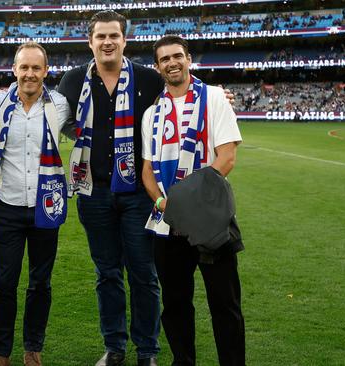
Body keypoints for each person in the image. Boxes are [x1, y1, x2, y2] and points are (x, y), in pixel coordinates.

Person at [57, 11, 164, 366]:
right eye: (100, 36)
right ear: (90, 42)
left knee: (143, 273)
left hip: (136, 193)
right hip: (93, 192)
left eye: (113, 36)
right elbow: (50, 114)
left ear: (124, 41)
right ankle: (115, 347)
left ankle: (146, 350)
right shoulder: (73, 81)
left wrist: (217, 95)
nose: (107, 42)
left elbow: (183, 100)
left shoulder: (149, 80)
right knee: (107, 274)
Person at [141, 35, 245, 366]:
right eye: (164, 59)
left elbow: (226, 156)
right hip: (167, 222)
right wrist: (162, 204)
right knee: (175, 303)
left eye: (177, 56)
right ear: (157, 67)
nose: (172, 63)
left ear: (188, 59)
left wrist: (189, 205)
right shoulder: (151, 113)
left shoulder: (214, 98)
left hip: (209, 220)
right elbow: (146, 171)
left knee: (224, 303)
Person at [0, 41, 73, 366]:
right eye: (24, 67)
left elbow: (88, 128)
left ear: (46, 71)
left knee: (40, 283)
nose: (30, 74)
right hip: (8, 206)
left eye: (36, 68)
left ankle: (33, 348)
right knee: (4, 284)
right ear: (14, 69)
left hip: (47, 206)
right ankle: (0, 352)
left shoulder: (60, 104)